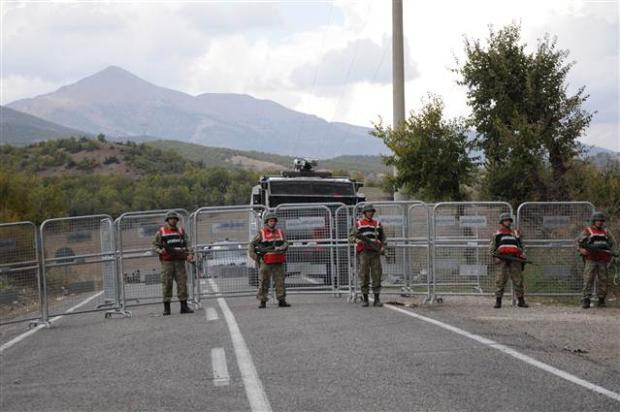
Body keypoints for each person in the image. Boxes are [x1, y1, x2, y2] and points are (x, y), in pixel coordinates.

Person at [152, 211, 194, 315]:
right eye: (171, 219)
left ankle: (184, 307)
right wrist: (160, 250)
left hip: (180, 261)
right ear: (167, 220)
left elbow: (188, 243)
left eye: (175, 219)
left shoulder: (181, 231)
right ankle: (167, 309)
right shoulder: (161, 232)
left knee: (182, 283)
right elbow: (154, 245)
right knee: (167, 283)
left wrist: (190, 254)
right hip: (167, 262)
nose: (173, 220)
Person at [249, 212, 290, 309]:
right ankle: (262, 301)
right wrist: (256, 258)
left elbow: (286, 243)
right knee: (263, 281)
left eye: (274, 221)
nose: (273, 222)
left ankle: (281, 300)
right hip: (266, 261)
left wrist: (281, 247)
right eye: (271, 221)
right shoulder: (261, 233)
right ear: (267, 222)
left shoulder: (280, 232)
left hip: (278, 260)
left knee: (280, 281)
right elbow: (252, 245)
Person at [577, 212, 617, 309]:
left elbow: (613, 243)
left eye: (601, 221)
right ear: (594, 221)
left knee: (603, 280)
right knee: (588, 279)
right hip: (591, 259)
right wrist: (581, 250)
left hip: (603, 259)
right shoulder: (588, 230)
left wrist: (613, 253)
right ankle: (586, 300)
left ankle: (601, 300)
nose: (599, 222)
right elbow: (579, 241)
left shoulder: (606, 232)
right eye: (597, 220)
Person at [350, 204, 386, 307]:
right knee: (364, 275)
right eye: (368, 211)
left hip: (375, 252)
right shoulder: (359, 224)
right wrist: (356, 239)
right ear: (365, 213)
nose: (370, 213)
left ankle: (377, 299)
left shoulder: (377, 224)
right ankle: (365, 299)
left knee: (377, 275)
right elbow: (351, 236)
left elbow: (383, 237)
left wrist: (383, 246)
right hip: (364, 252)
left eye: (371, 211)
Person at [489, 213, 528, 308]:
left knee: (518, 279)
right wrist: (495, 257)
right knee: (500, 279)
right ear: (502, 222)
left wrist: (523, 254)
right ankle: (498, 301)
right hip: (501, 258)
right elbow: (492, 248)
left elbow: (521, 245)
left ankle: (521, 301)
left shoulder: (515, 233)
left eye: (509, 220)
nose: (508, 222)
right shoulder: (497, 234)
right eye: (506, 220)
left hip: (515, 258)